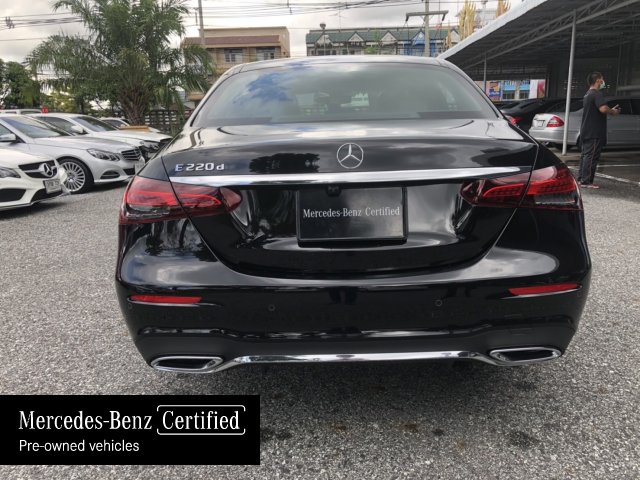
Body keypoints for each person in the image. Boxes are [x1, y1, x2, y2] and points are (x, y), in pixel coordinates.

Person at [577, 72, 620, 189]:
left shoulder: (587, 94)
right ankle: (586, 182)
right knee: (591, 157)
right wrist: (613, 111)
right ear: (597, 81)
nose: (603, 82)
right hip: (594, 131)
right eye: (602, 79)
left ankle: (581, 179)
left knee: (585, 156)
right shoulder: (596, 94)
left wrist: (609, 109)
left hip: (586, 130)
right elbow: (603, 108)